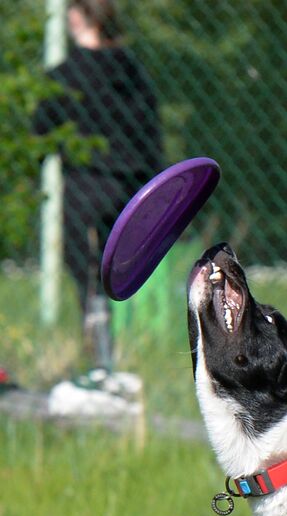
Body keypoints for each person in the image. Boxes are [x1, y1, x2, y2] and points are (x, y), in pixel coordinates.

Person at [32, 0, 161, 379]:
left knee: (84, 273)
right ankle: (108, 355)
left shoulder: (66, 76)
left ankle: (100, 357)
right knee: (113, 273)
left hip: (87, 184)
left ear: (77, 17)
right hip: (131, 189)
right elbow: (150, 136)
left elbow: (41, 130)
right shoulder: (134, 73)